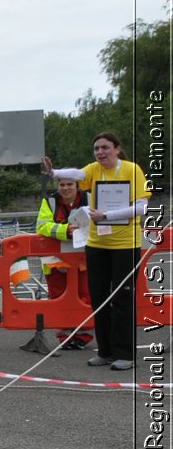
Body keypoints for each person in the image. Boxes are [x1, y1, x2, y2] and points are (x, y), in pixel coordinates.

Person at [44, 132, 150, 371]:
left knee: (122, 298)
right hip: (97, 244)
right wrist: (53, 173)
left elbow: (142, 207)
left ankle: (125, 353)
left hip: (125, 244)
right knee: (99, 298)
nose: (100, 152)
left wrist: (108, 216)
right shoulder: (93, 170)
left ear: (117, 149)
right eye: (96, 149)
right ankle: (105, 351)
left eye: (105, 148)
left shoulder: (133, 170)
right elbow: (76, 174)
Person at [34, 175, 93, 350]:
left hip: (85, 257)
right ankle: (64, 336)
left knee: (86, 296)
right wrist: (65, 230)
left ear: (77, 185)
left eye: (69, 184)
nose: (65, 188)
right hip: (55, 259)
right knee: (59, 296)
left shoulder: (90, 198)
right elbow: (42, 226)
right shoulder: (50, 201)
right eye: (62, 184)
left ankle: (83, 335)